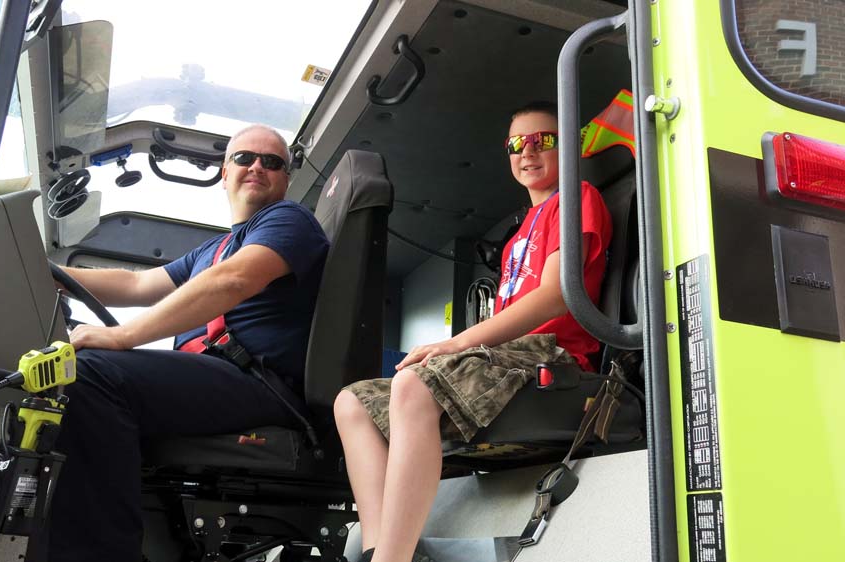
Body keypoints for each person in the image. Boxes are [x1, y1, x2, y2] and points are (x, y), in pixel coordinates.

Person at [333, 101, 612, 562]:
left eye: (544, 140)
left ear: (569, 147)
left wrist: (458, 342)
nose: (528, 152)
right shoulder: (518, 234)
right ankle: (379, 546)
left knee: (412, 385)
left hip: (552, 354)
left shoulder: (577, 197)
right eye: (517, 145)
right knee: (352, 402)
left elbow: (558, 294)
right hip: (505, 357)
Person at [47, 124, 330, 562]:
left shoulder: (289, 221)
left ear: (285, 180)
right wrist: (49, 274)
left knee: (91, 374)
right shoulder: (212, 249)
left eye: (272, 162)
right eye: (245, 158)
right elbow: (136, 283)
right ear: (225, 171)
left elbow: (233, 281)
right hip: (217, 378)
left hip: (259, 384)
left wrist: (122, 337)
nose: (257, 166)